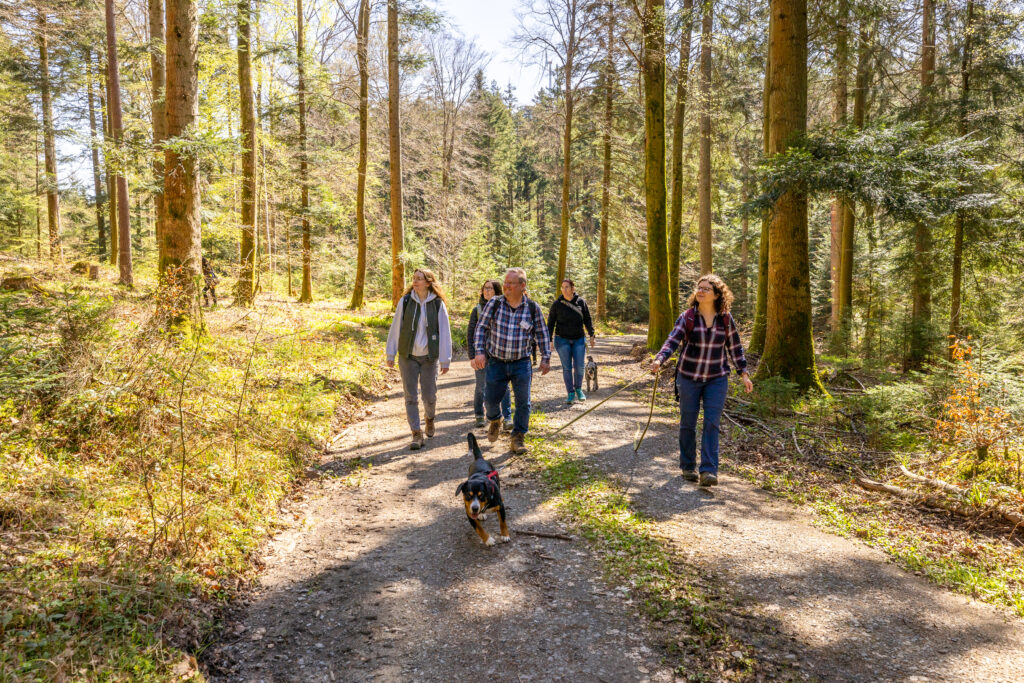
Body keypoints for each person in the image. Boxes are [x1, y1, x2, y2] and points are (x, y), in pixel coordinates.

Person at [650, 274, 753, 486]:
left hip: (717, 379)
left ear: (717, 295)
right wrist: (660, 359)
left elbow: (735, 347)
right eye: (699, 288)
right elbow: (672, 340)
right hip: (689, 377)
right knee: (688, 423)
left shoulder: (725, 319)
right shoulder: (687, 316)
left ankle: (708, 470)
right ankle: (688, 466)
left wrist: (743, 373)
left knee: (711, 423)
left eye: (706, 289)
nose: (701, 291)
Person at [471, 267, 551, 454]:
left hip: (521, 362)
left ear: (522, 286)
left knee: (523, 402)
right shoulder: (494, 304)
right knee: (490, 399)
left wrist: (545, 358)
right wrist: (479, 352)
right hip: (496, 362)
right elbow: (481, 328)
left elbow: (542, 334)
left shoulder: (532, 308)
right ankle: (495, 419)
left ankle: (518, 438)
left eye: (510, 283)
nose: (505, 286)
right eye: (505, 282)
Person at [386, 269, 453, 450]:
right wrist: (390, 353)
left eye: (419, 279)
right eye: (414, 278)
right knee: (410, 396)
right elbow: (396, 327)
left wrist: (445, 359)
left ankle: (429, 418)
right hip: (408, 356)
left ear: (428, 282)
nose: (415, 282)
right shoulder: (406, 301)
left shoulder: (438, 304)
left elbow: (445, 332)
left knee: (429, 396)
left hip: (430, 358)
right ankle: (416, 433)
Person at [468, 280, 511, 429]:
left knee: (504, 386)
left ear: (497, 291)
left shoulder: (504, 308)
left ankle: (507, 417)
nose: (487, 291)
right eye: (485, 288)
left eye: (490, 289)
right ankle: (479, 414)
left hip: (499, 354)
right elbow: (471, 333)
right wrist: (472, 356)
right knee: (481, 386)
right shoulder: (477, 309)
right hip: (481, 354)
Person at [547, 279, 596, 404]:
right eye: (562, 287)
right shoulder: (557, 304)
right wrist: (549, 339)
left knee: (579, 366)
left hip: (578, 339)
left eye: (567, 287)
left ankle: (578, 389)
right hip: (561, 339)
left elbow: (587, 319)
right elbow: (551, 322)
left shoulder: (581, 302)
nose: (564, 289)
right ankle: (570, 392)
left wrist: (591, 334)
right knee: (567, 367)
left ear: (573, 288)